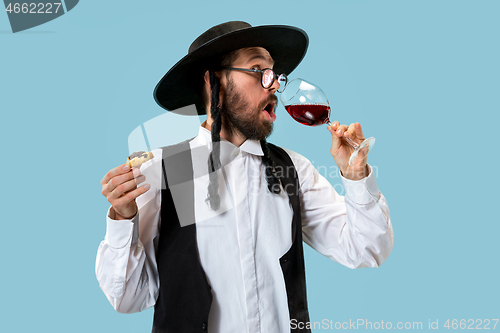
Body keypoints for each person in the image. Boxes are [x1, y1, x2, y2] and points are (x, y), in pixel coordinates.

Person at [96, 21, 394, 333]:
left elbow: (367, 248)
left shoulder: (293, 169)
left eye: (275, 75)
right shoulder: (161, 170)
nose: (275, 87)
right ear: (215, 82)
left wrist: (355, 175)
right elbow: (127, 298)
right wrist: (122, 217)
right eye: (258, 69)